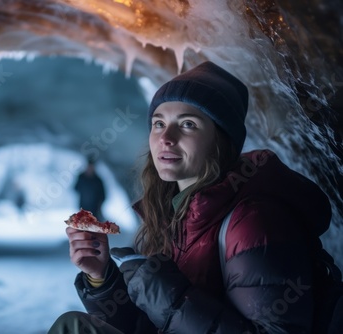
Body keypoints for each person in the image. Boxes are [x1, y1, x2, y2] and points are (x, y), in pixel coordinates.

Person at [48, 61, 342, 333]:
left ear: (221, 139)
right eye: (159, 123)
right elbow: (148, 326)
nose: (166, 137)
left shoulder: (254, 221)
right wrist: (101, 278)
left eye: (188, 124)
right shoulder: (175, 212)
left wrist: (161, 290)